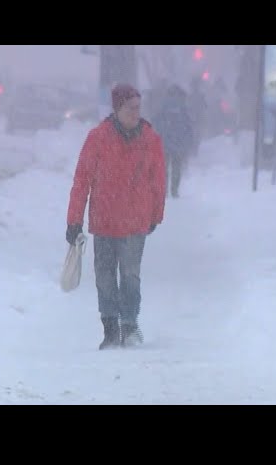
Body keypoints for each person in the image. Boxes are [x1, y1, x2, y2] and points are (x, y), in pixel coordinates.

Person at [65, 83, 166, 350]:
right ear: (118, 108)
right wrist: (74, 220)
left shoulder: (150, 139)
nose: (136, 113)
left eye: (138, 107)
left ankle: (130, 326)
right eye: (131, 108)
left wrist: (156, 213)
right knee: (105, 277)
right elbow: (82, 180)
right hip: (105, 221)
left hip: (135, 222)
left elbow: (158, 179)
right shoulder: (98, 138)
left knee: (131, 276)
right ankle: (110, 328)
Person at [151, 84, 195, 198]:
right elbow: (189, 126)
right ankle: (174, 191)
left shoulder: (163, 107)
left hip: (164, 143)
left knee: (164, 169)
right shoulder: (183, 108)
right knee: (176, 168)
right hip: (178, 143)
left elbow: (155, 123)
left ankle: (163, 191)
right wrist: (189, 142)